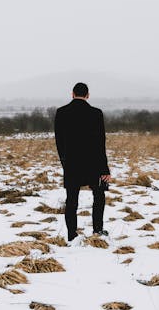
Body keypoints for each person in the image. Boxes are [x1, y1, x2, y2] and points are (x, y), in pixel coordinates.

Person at [54, 82, 111, 242]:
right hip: (94, 163)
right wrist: (105, 169)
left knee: (71, 200)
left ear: (72, 94)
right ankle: (98, 230)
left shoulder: (61, 113)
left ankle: (72, 235)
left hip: (71, 163)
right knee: (99, 195)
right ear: (87, 95)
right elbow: (101, 142)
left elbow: (59, 142)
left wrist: (64, 162)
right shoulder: (96, 113)